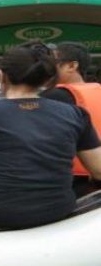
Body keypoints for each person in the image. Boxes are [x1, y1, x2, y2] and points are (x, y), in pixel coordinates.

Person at [0, 42, 101, 229]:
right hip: (55, 209)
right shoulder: (75, 114)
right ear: (45, 79)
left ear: (1, 75)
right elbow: (98, 169)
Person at [40, 42, 101, 196]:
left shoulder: (55, 96)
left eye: (51, 63)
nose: (45, 69)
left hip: (73, 183)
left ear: (72, 66)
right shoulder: (97, 90)